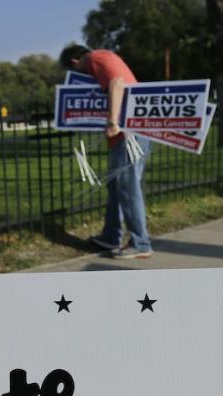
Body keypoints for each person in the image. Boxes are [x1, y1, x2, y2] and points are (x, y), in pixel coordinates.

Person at [59, 44, 153, 259]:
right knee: (116, 186)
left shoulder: (95, 58)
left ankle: (141, 243)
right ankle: (111, 236)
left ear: (74, 63)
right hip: (129, 133)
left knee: (128, 188)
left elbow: (117, 83)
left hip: (129, 133)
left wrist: (112, 122)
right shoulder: (103, 58)